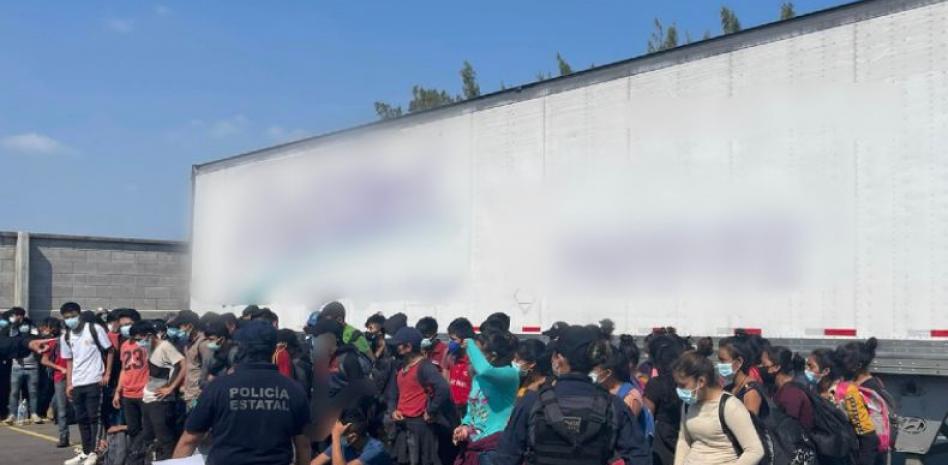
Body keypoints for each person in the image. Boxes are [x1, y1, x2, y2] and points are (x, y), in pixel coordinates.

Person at [488, 325, 650, 465]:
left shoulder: (531, 402)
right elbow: (640, 458)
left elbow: (505, 458)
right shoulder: (613, 406)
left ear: (558, 358)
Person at [172, 319, 311, 465]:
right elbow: (303, 445)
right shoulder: (293, 389)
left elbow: (189, 440)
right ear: (273, 349)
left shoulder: (218, 387)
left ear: (241, 348)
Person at [672, 351, 764, 465]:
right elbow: (684, 440)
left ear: (701, 381)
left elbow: (755, 450)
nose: (679, 389)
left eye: (682, 385)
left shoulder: (729, 406)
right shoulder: (687, 405)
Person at [387, 327, 457, 465]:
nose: (396, 348)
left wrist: (431, 410)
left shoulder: (424, 367)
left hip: (420, 426)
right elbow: (393, 392)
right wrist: (393, 410)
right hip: (403, 423)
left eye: (399, 345)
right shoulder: (401, 366)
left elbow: (443, 388)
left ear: (408, 347)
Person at [452, 329, 519, 465]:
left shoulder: (510, 374)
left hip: (493, 447)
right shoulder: (478, 378)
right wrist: (465, 427)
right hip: (475, 444)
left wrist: (470, 344)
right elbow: (472, 410)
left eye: (478, 352)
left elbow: (485, 369)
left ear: (493, 356)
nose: (472, 356)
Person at [60, 302, 114, 465]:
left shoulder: (93, 329)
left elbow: (110, 350)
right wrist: (69, 383)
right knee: (81, 419)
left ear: (79, 314)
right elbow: (69, 361)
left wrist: (107, 373)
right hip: (77, 383)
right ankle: (85, 451)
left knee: (94, 418)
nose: (70, 320)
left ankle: (94, 452)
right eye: (67, 317)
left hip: (94, 380)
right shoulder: (66, 337)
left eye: (73, 316)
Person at [827, 345, 884, 465]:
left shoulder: (865, 389)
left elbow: (868, 433)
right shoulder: (852, 385)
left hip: (865, 454)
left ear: (857, 366)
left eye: (842, 362)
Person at [141, 316, 186, 461]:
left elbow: (183, 364)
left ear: (149, 335)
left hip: (162, 400)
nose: (139, 342)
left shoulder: (165, 346)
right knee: (148, 435)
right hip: (148, 397)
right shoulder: (149, 347)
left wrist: (171, 387)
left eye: (140, 338)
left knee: (164, 437)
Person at [113, 321, 155, 465]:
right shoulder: (125, 345)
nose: (136, 339)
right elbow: (123, 370)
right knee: (133, 429)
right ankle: (136, 457)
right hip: (127, 394)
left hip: (144, 392)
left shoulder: (147, 344)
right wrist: (118, 391)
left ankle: (141, 457)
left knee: (147, 428)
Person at [644, 334, 688, 465]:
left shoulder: (655, 384)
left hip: (661, 445)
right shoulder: (687, 382)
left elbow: (647, 418)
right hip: (684, 439)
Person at [759, 346, 813, 431]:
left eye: (764, 365)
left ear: (776, 367)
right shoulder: (777, 389)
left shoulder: (791, 393)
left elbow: (789, 428)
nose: (760, 368)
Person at [312, 409, 394, 465]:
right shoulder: (343, 443)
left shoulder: (376, 450)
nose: (339, 438)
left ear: (353, 436)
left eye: (341, 434)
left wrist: (336, 437)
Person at [717, 336, 768, 419]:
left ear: (739, 362)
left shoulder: (751, 392)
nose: (719, 365)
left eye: (723, 360)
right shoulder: (729, 387)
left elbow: (750, 424)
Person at [5, 315, 42, 425]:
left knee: (33, 392)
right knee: (14, 392)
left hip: (32, 368)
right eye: (22, 325)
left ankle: (34, 413)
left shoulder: (34, 336)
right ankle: (12, 414)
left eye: (26, 325)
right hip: (17, 368)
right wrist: (16, 322)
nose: (24, 327)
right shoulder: (15, 336)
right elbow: (10, 331)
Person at [40, 318, 70, 447]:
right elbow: (44, 360)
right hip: (61, 376)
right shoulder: (52, 342)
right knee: (62, 409)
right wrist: (60, 368)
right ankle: (64, 436)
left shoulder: (70, 340)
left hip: (76, 375)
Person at [443, 318, 475, 417]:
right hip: (452, 406)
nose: (450, 342)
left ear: (465, 340)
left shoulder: (474, 360)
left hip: (468, 408)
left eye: (453, 339)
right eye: (449, 339)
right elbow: (445, 374)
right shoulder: (450, 355)